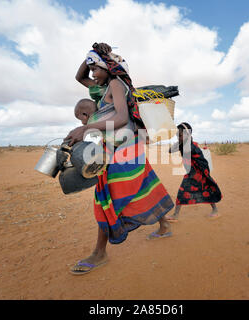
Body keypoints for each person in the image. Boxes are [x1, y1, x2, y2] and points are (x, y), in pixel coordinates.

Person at [66, 43, 174, 275]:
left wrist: (86, 129)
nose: (92, 74)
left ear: (109, 67)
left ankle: (99, 253)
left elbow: (123, 118)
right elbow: (79, 76)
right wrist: (92, 55)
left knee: (107, 195)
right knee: (146, 184)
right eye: (92, 69)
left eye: (96, 69)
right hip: (121, 147)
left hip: (123, 149)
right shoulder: (101, 88)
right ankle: (164, 225)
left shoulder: (116, 83)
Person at [167, 122, 222, 222]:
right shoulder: (184, 144)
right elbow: (170, 150)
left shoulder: (190, 147)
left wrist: (205, 174)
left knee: (183, 192)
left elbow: (201, 161)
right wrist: (179, 142)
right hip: (192, 172)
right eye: (177, 135)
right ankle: (215, 210)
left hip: (197, 173)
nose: (178, 137)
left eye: (179, 135)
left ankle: (176, 215)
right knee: (206, 189)